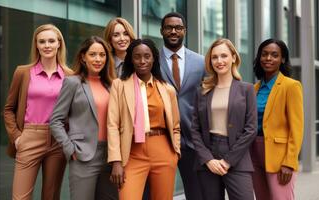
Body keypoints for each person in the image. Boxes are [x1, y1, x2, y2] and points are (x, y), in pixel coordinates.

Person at [3, 24, 72, 199]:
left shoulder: (70, 76)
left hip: (58, 139)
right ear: (36, 45)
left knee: (51, 195)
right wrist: (17, 137)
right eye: (42, 41)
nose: (47, 45)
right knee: (20, 196)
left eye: (51, 41)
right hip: (29, 136)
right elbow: (9, 109)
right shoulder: (23, 72)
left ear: (59, 44)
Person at [107, 38, 180, 200]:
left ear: (154, 58)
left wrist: (176, 153)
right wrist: (116, 161)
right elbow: (112, 125)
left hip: (163, 150)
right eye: (137, 56)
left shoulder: (167, 89)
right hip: (132, 152)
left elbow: (175, 126)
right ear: (130, 59)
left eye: (147, 56)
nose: (142, 61)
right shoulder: (119, 85)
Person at [50, 36, 118, 200]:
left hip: (110, 156)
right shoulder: (72, 83)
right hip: (83, 155)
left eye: (102, 55)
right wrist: (70, 149)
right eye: (93, 54)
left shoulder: (112, 85)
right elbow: (55, 120)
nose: (98, 59)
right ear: (83, 57)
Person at [191, 38, 257, 200]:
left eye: (224, 56)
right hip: (208, 155)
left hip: (237, 154)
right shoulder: (202, 91)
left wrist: (228, 161)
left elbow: (251, 129)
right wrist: (208, 160)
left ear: (233, 57)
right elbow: (195, 129)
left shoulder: (246, 90)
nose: (219, 61)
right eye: (215, 57)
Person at [159, 12, 206, 200]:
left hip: (193, 138)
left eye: (178, 28)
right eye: (169, 27)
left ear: (184, 31)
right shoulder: (151, 60)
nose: (173, 31)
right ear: (161, 31)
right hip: (163, 137)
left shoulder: (201, 61)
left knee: (196, 193)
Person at [251, 38, 304, 200]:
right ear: (259, 57)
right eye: (264, 54)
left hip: (280, 156)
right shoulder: (254, 88)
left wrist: (289, 162)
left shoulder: (291, 86)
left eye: (274, 55)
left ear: (282, 59)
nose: (268, 58)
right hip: (254, 153)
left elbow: (297, 127)